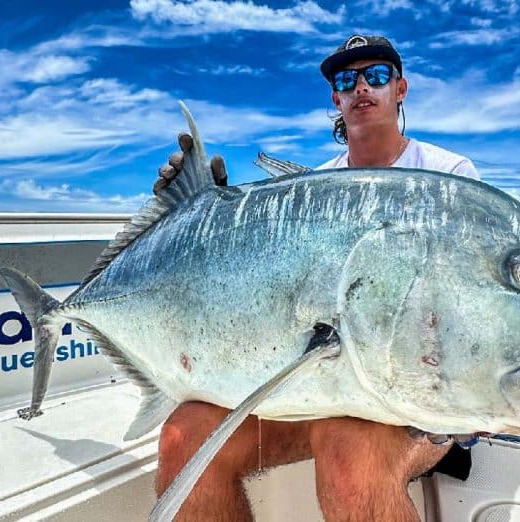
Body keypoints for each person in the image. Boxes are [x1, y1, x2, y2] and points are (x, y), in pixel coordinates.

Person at [154, 35, 480, 522]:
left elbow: (466, 307)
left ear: (401, 88)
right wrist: (198, 220)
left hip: (414, 400)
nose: (361, 87)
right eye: (347, 80)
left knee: (347, 445)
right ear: (336, 98)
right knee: (182, 437)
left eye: (377, 75)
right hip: (321, 389)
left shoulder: (447, 175)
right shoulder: (307, 191)